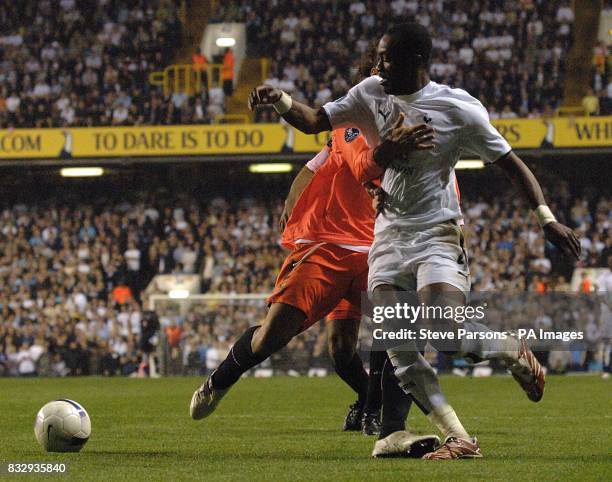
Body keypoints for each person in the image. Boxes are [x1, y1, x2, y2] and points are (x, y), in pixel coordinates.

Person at [247, 22, 580, 459]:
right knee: (401, 351)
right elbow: (313, 122)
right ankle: (460, 439)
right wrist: (281, 101)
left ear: (417, 61)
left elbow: (511, 165)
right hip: (387, 239)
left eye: (388, 58)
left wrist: (546, 219)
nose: (379, 65)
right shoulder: (370, 92)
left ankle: (511, 350)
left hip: (436, 232)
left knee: (445, 329)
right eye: (379, 58)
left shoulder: (458, 108)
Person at [190, 55, 439, 455]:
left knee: (395, 329)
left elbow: (428, 178)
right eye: (377, 77)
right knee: (283, 339)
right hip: (331, 246)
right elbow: (354, 167)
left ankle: (380, 415)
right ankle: (221, 379)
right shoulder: (351, 124)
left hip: (379, 247)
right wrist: (295, 205)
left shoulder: (418, 120)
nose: (384, 83)